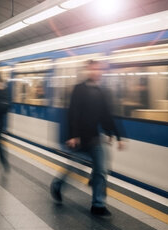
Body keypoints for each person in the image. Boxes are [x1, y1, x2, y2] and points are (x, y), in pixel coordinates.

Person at [51, 59, 125, 217]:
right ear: (88, 71)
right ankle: (57, 185)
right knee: (75, 168)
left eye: (98, 69)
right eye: (93, 69)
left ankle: (98, 205)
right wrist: (72, 135)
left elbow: (107, 115)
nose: (96, 72)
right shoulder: (79, 89)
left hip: (95, 138)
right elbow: (73, 113)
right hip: (80, 138)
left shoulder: (102, 91)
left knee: (101, 170)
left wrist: (116, 135)